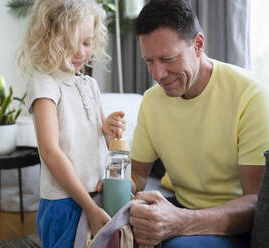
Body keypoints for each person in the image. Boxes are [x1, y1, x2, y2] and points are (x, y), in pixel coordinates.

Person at [128, 0, 269, 247]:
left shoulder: (251, 95)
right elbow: (137, 175)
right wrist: (107, 187)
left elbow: (256, 201)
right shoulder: (152, 101)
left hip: (234, 225)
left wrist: (182, 221)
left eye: (168, 58)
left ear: (198, 45)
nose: (157, 74)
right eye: (149, 61)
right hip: (181, 207)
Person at [19, 0, 126, 247]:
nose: (80, 52)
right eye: (70, 43)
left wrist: (109, 130)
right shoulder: (44, 83)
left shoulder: (90, 84)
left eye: (87, 42)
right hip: (65, 202)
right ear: (49, 40)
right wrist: (88, 207)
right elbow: (49, 151)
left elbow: (107, 142)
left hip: (97, 194)